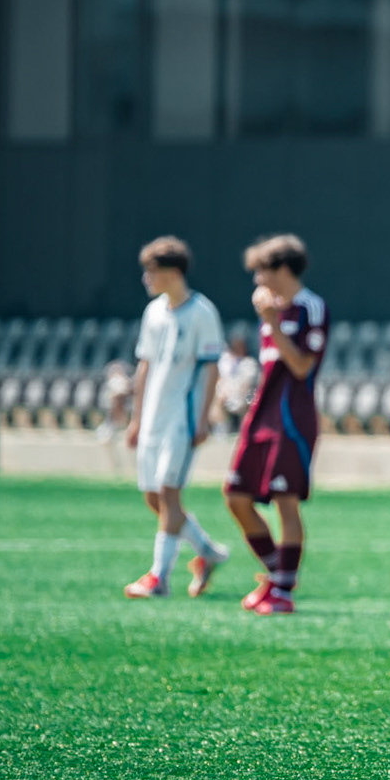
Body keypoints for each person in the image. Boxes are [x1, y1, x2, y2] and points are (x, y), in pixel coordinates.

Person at [122, 237, 230, 600]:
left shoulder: (202, 312)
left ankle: (159, 578)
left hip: (181, 421)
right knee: (154, 498)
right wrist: (136, 419)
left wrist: (203, 418)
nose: (146, 279)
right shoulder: (154, 312)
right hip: (153, 417)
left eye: (150, 271)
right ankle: (209, 553)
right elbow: (145, 366)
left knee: (169, 495)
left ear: (171, 272)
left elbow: (212, 368)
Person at [225, 234, 328, 616]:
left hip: (291, 418)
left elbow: (302, 366)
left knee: (285, 503)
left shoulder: (310, 308)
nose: (257, 282)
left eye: (261, 272)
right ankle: (277, 575)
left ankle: (282, 593)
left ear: (282, 270)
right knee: (235, 496)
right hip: (261, 415)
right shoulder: (273, 310)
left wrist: (273, 323)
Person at [215, 332, 260, 432]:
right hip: (228, 396)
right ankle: (222, 430)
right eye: (234, 346)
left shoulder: (249, 362)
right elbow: (220, 379)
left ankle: (247, 427)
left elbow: (248, 385)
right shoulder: (226, 362)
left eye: (239, 346)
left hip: (245, 397)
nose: (236, 348)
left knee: (251, 396)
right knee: (217, 393)